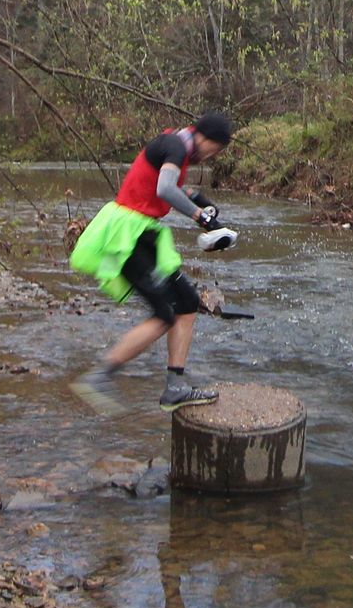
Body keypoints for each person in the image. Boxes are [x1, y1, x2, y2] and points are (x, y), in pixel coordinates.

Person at [67, 111, 236, 414]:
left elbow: (177, 187)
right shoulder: (176, 145)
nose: (212, 156)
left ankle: (175, 387)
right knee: (165, 313)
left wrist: (204, 203)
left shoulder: (176, 148)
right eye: (216, 149)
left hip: (141, 235)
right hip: (127, 237)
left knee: (186, 302)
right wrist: (200, 217)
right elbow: (165, 190)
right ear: (206, 138)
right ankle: (99, 377)